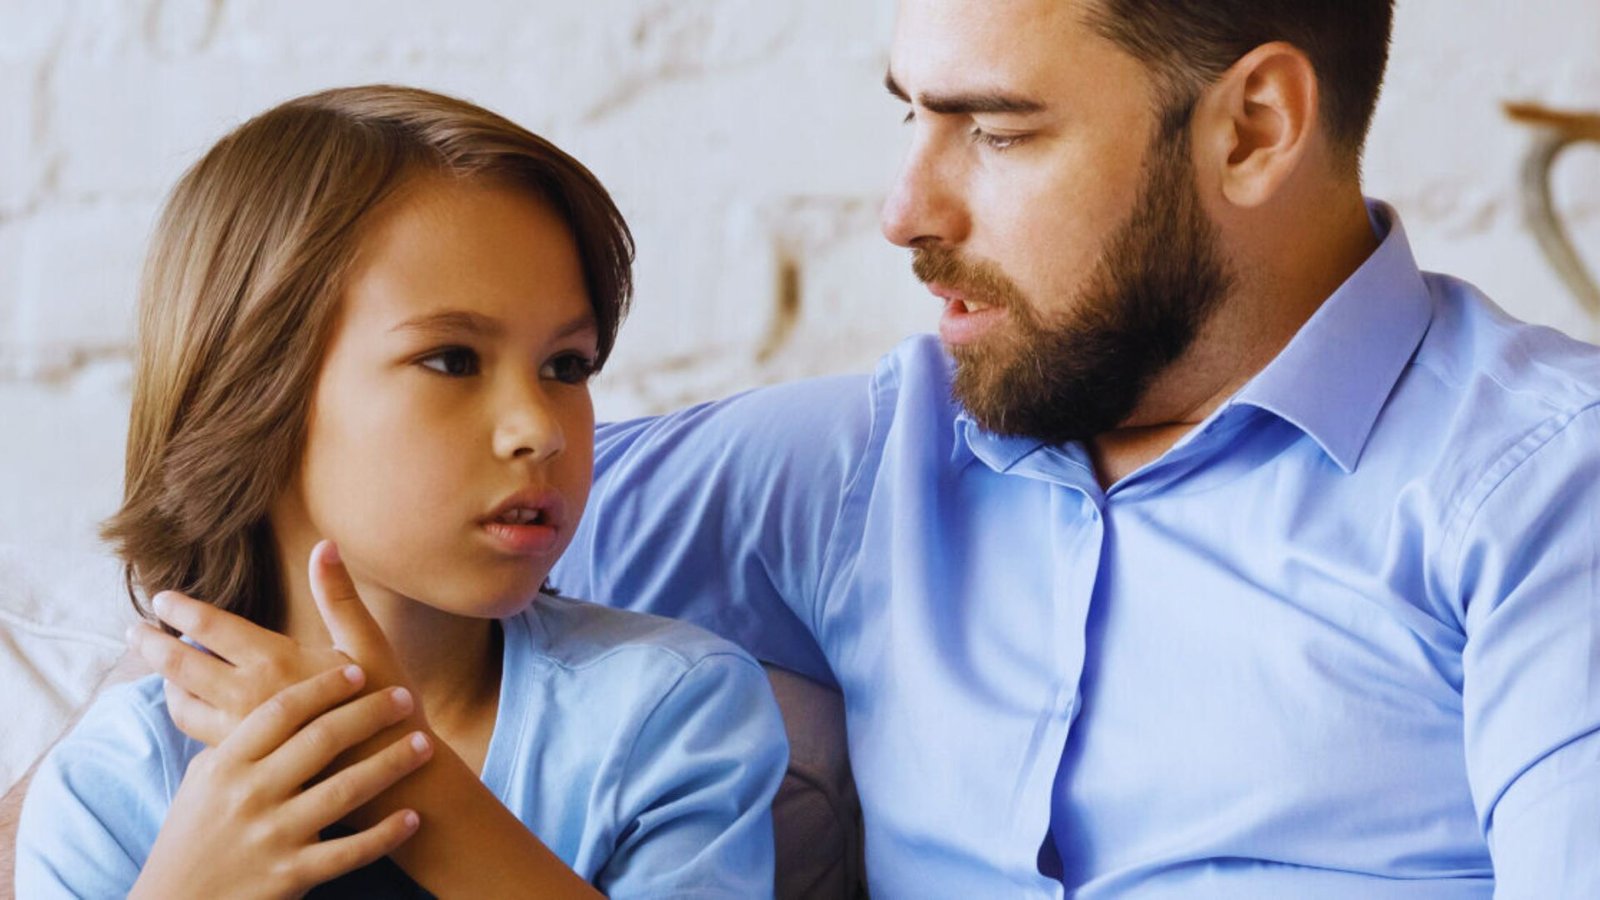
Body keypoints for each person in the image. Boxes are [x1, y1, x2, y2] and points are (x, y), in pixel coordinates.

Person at [131, 1, 1600, 897]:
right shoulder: (860, 464)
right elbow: (314, 538)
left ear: (1255, 126)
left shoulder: (1541, 488)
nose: (902, 209)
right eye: (909, 115)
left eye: (997, 132)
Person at [14, 85, 787, 898]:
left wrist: (400, 779)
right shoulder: (116, 786)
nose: (540, 428)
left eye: (567, 366)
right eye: (453, 359)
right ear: (255, 389)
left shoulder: (669, 714)